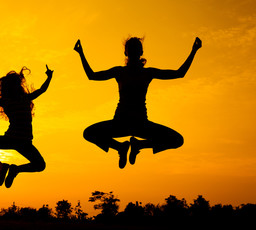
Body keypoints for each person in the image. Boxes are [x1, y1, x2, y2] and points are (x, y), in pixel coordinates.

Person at [74, 37, 202, 169]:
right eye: (131, 49)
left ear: (140, 52)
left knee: (177, 140)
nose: (134, 52)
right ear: (126, 53)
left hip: (141, 124)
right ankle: (120, 147)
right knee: (88, 133)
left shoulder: (148, 73)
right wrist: (81, 53)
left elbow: (179, 73)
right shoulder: (119, 72)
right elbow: (92, 76)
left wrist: (193, 51)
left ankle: (138, 145)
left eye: (136, 50)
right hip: (120, 123)